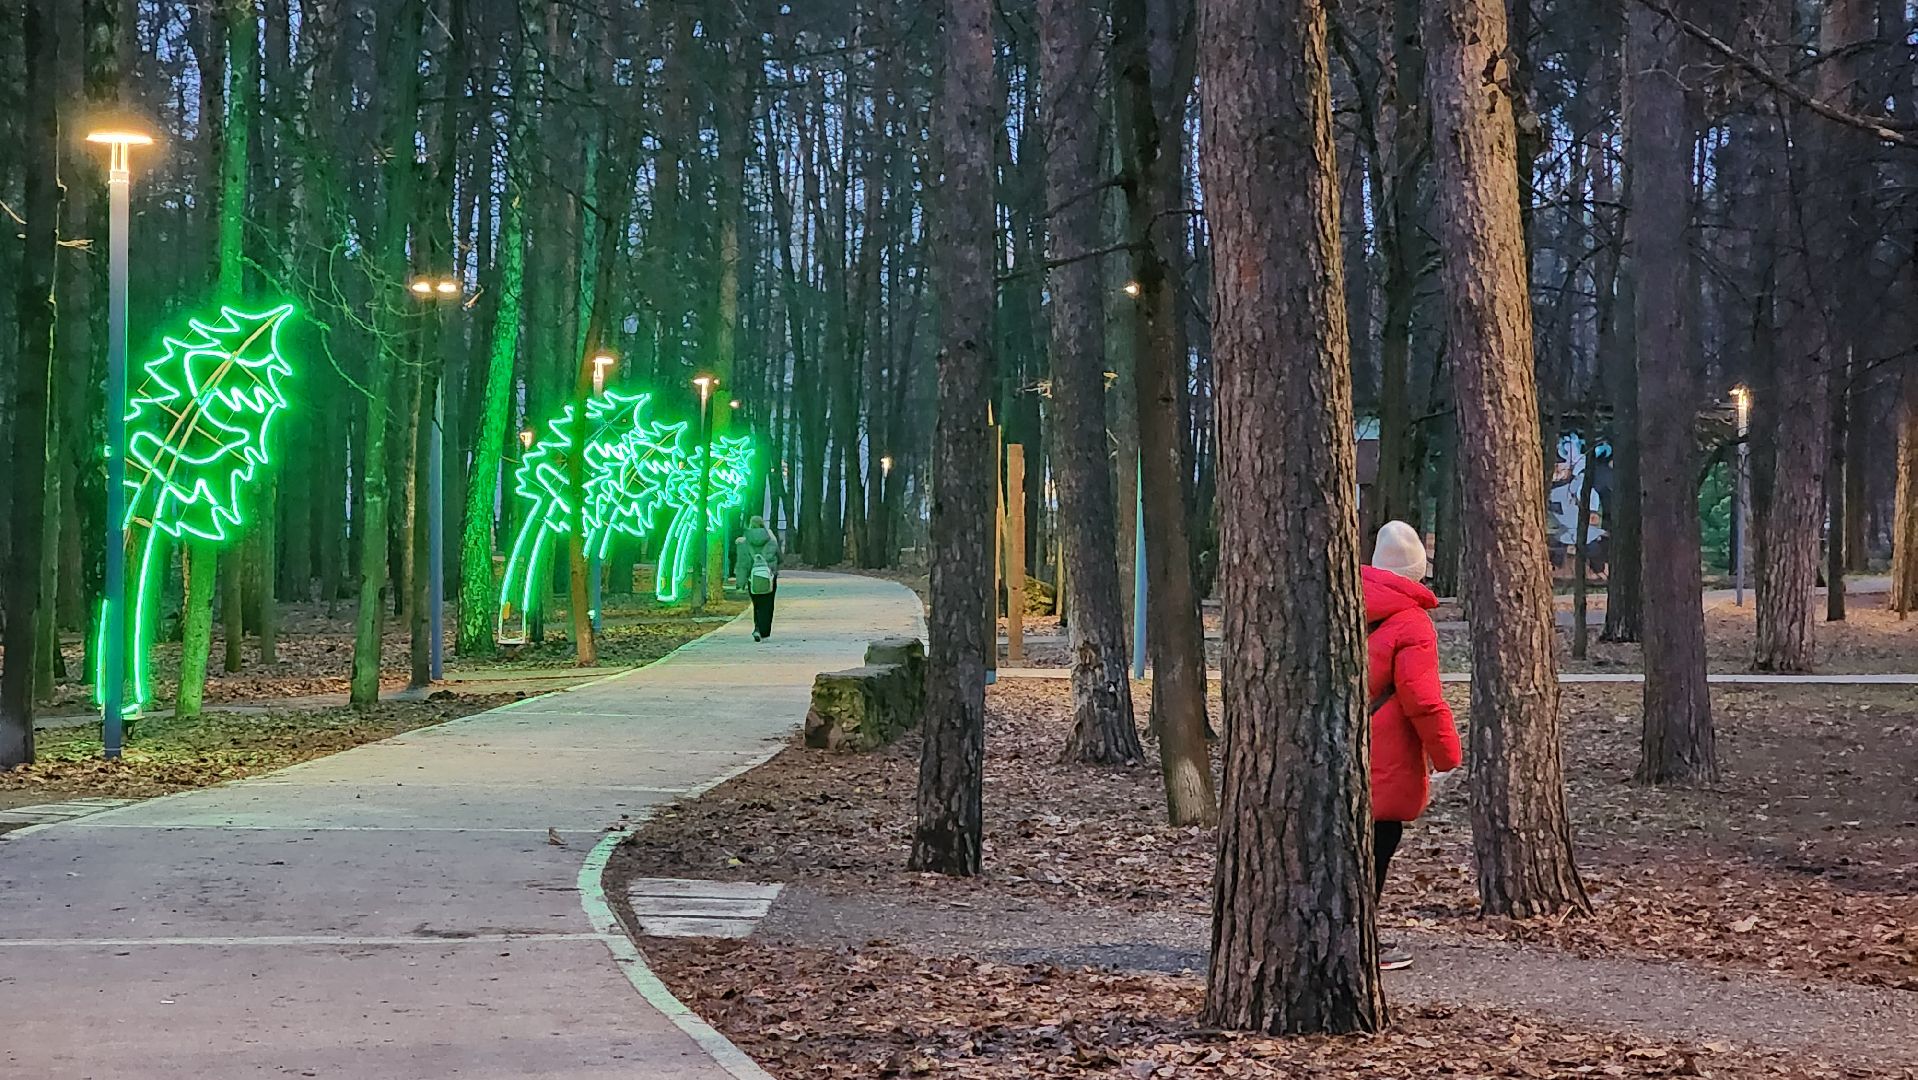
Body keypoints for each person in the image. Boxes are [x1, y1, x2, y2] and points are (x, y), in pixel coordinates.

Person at [1363, 520, 1463, 971]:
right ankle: (1361, 938)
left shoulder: (1343, 602)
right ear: (1419, 571)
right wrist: (1448, 756)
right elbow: (1422, 698)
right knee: (1379, 838)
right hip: (1384, 752)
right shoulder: (1411, 622)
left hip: (1338, 745)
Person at [735, 516, 781, 641]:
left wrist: (740, 583)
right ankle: (765, 631)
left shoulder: (744, 542)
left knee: (757, 604)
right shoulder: (771, 539)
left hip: (752, 576)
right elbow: (779, 557)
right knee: (768, 603)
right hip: (769, 576)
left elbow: (742, 564)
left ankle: (757, 628)